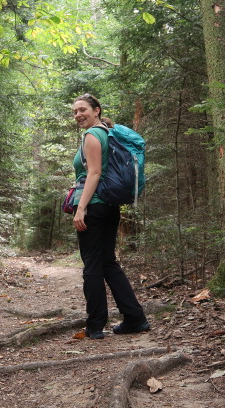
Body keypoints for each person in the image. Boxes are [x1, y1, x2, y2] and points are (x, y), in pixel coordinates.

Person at [71, 93, 150, 339]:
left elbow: (94, 174)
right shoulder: (107, 133)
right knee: (107, 263)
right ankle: (135, 318)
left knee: (92, 266)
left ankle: (95, 325)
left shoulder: (93, 135)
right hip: (108, 206)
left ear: (96, 111)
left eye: (82, 109)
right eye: (75, 112)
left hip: (93, 206)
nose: (78, 115)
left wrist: (81, 208)